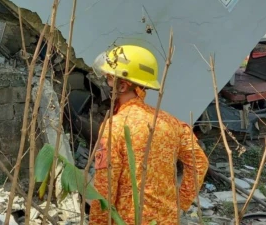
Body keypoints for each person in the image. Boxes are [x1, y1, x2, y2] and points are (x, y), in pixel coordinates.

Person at [89, 45, 208, 225]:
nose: (106, 84)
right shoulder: (172, 123)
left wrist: (97, 223)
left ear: (122, 85)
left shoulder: (115, 126)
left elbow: (105, 187)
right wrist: (180, 202)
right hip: (168, 219)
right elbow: (200, 163)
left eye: (109, 79)